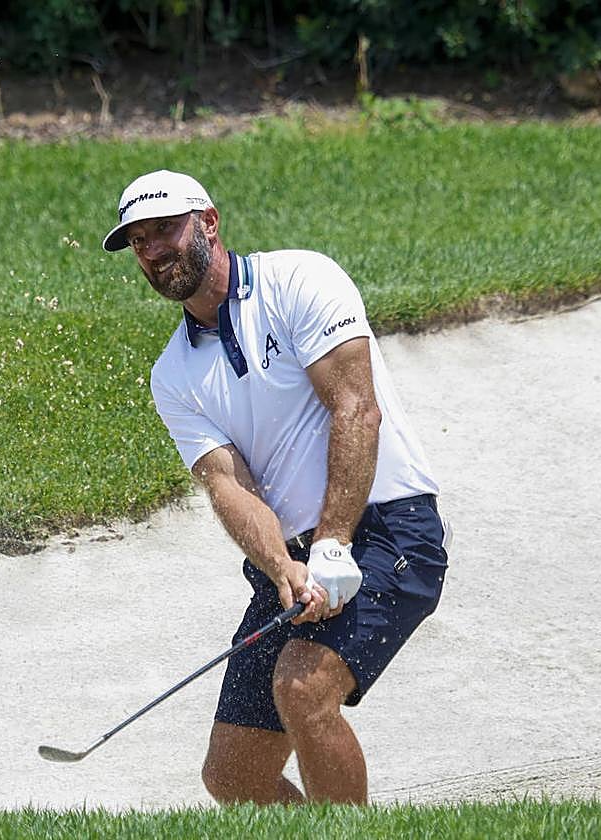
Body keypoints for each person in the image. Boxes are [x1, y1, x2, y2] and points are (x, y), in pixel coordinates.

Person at [101, 169, 450, 805]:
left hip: (388, 529)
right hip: (292, 560)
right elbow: (229, 486)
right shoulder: (173, 374)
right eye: (139, 241)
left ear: (208, 223)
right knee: (233, 775)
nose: (153, 250)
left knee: (303, 688)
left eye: (165, 230)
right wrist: (283, 567)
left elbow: (356, 408)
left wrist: (333, 544)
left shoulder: (299, 280)